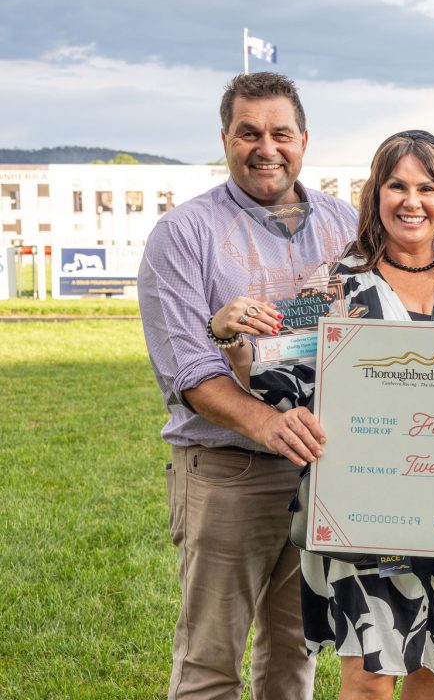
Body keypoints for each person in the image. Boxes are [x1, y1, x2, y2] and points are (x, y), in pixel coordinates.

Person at [252, 131, 434, 699]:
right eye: (397, 185)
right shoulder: (333, 284)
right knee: (369, 680)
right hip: (364, 513)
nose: (412, 200)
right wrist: (232, 335)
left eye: (427, 187)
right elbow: (273, 376)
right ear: (375, 195)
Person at [138, 72, 358, 698]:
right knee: (211, 659)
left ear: (305, 140)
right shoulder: (183, 234)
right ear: (225, 140)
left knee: (295, 652)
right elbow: (187, 370)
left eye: (280, 133)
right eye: (248, 133)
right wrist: (267, 423)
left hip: (319, 469)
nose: (266, 148)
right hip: (229, 470)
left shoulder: (345, 225)